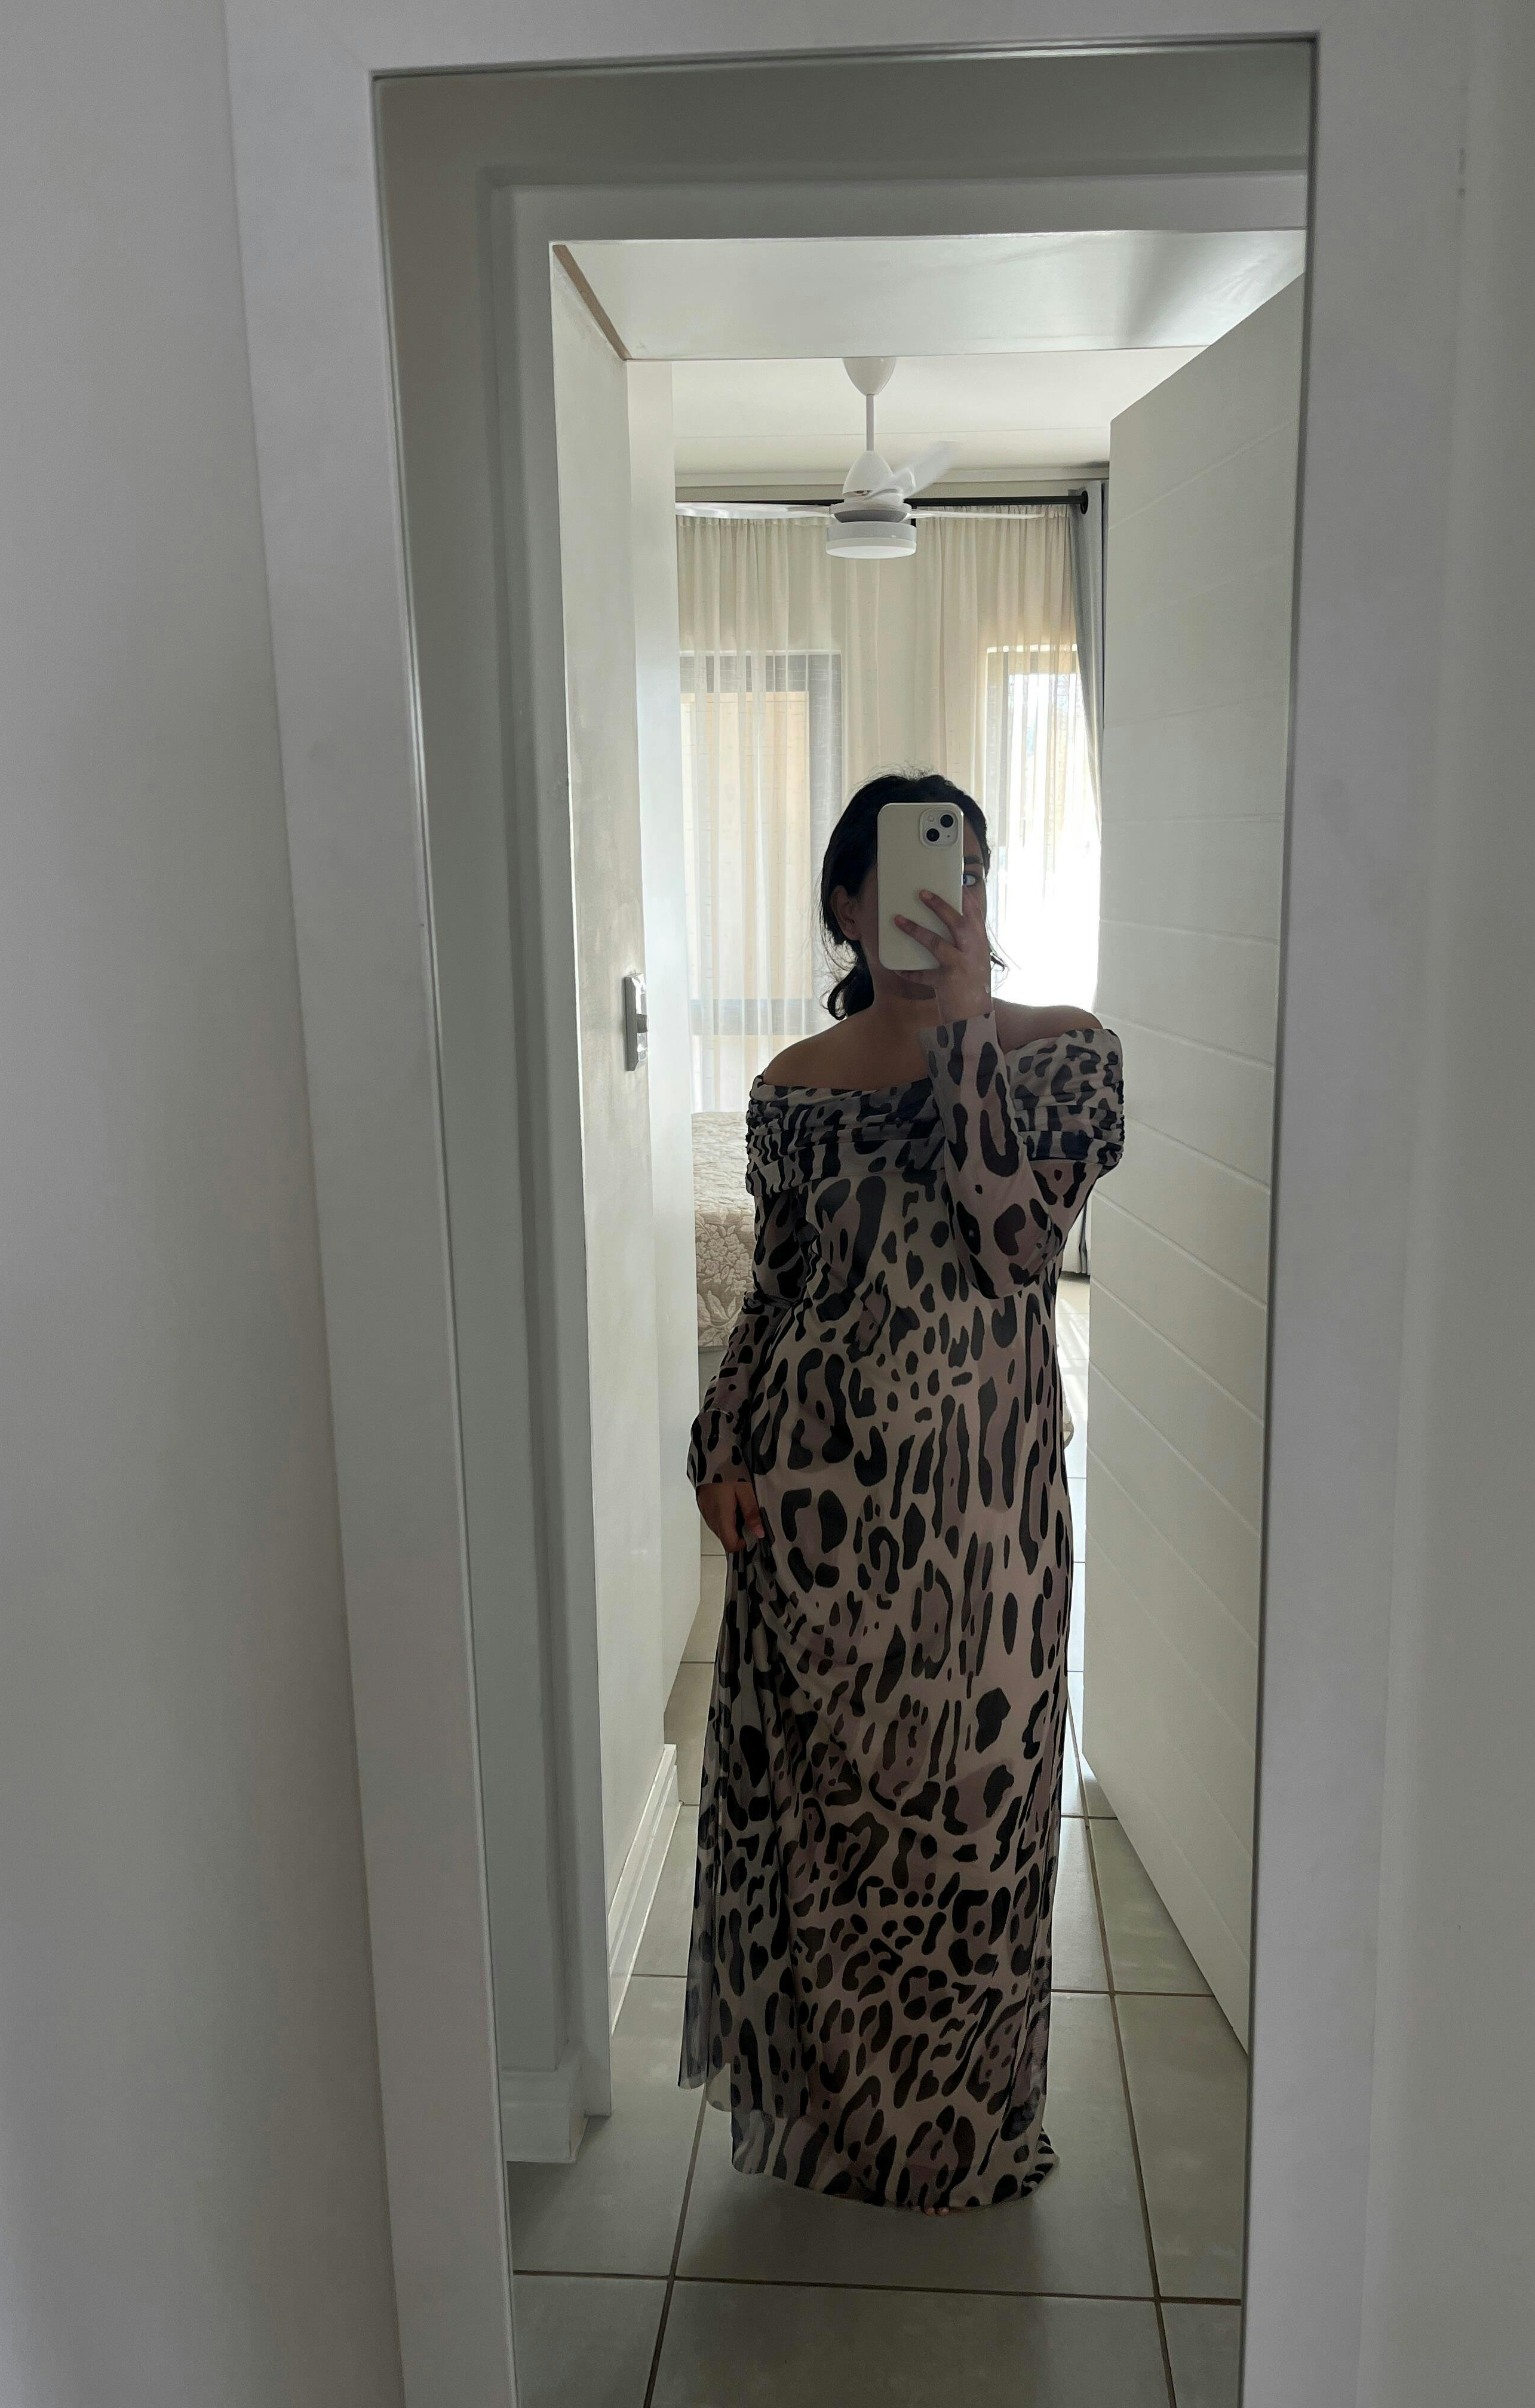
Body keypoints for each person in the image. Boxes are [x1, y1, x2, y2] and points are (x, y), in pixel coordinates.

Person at [681, 770, 1126, 2214]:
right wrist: (719, 1441)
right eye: (921, 871)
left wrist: (968, 1035)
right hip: (815, 1523)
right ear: (848, 904)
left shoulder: (1068, 1057)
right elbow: (777, 1291)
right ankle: (841, 2133)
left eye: (972, 870)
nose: (953, 895)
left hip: (987, 1531)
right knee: (826, 1838)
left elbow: (1015, 1242)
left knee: (979, 1822)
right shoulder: (792, 1087)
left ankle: (962, 2135)